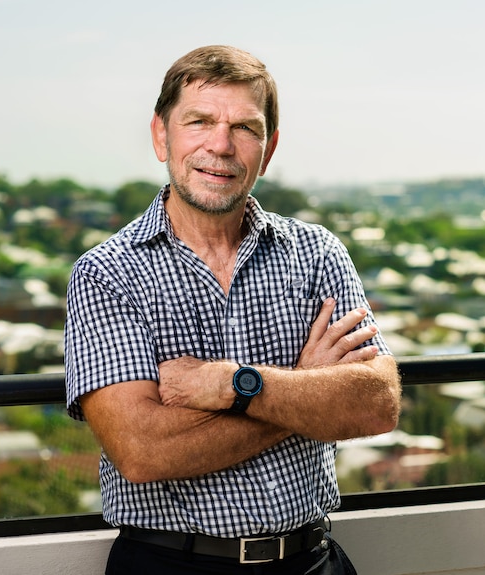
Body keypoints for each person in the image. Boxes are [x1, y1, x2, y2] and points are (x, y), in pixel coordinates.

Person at [65, 45, 401, 575]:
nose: (220, 146)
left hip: (311, 562)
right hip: (171, 566)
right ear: (161, 135)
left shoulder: (317, 253)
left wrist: (232, 384)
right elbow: (142, 452)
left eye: (245, 127)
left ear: (267, 150)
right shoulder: (106, 274)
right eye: (199, 121)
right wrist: (305, 388)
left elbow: (376, 405)